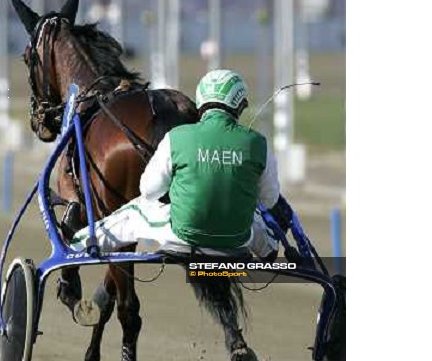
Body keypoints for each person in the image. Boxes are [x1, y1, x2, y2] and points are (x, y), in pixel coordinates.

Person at [70, 68, 292, 258]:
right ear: (239, 105)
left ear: (202, 101)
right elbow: (269, 198)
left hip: (183, 236)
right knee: (251, 215)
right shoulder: (259, 144)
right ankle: (268, 249)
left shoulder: (177, 137)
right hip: (238, 241)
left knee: (132, 212)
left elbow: (149, 191)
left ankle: (75, 245)